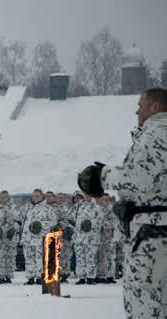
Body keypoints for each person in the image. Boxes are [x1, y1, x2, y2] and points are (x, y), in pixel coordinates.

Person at [78, 88, 166, 318]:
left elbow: (138, 178)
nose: (137, 111)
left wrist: (103, 176)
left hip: (153, 235)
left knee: (144, 305)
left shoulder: (156, 133)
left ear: (155, 108)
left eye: (140, 106)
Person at [20, 189, 60, 285]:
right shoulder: (29, 208)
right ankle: (30, 277)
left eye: (37, 196)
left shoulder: (48, 208)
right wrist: (23, 238)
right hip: (28, 238)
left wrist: (41, 225)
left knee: (39, 259)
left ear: (42, 197)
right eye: (34, 196)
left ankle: (39, 277)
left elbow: (53, 221)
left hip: (40, 238)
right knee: (29, 258)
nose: (35, 198)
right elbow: (24, 223)